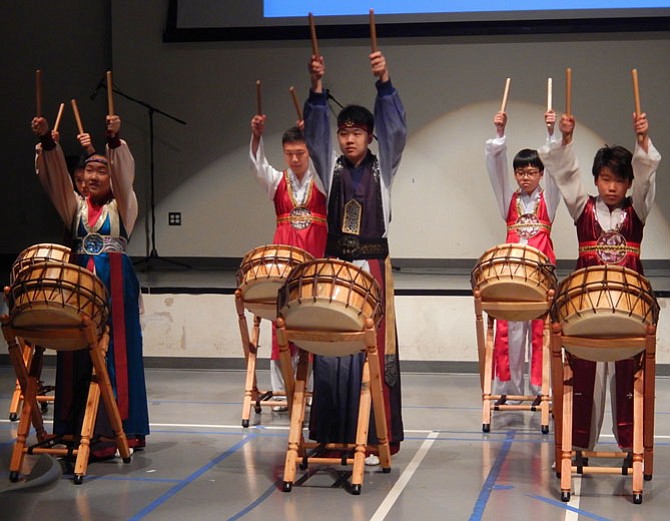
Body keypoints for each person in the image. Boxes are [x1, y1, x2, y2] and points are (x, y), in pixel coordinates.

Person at [303, 48, 406, 464]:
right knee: (332, 350)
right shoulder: (329, 167)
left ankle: (377, 433)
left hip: (374, 270)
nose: (348, 138)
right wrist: (316, 88)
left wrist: (384, 83)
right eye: (343, 131)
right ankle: (333, 432)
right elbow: (314, 137)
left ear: (369, 136)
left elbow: (396, 131)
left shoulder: (387, 168)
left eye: (357, 132)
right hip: (337, 269)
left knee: (374, 352)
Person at [539, 111, 661, 451]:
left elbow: (647, 177)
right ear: (596, 180)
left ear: (628, 184)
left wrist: (643, 142)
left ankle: (631, 448)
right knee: (583, 378)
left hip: (630, 312)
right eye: (605, 178)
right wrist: (565, 140)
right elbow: (566, 174)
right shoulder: (583, 208)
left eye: (619, 180)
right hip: (585, 312)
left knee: (628, 380)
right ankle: (578, 447)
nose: (611, 186)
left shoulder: (636, 211)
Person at [32, 113, 149, 456]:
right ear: (80, 181)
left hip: (116, 284)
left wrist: (113, 140)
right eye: (88, 173)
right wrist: (49, 145)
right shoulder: (75, 208)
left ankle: (123, 427)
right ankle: (75, 425)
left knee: (118, 352)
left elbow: (126, 175)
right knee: (78, 351)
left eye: (102, 172)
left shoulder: (123, 206)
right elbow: (54, 182)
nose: (93, 178)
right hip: (80, 283)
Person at [249, 116, 328, 411]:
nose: (295, 159)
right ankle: (283, 391)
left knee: (314, 318)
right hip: (285, 259)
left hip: (315, 256)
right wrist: (257, 137)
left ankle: (316, 388)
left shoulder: (321, 180)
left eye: (301, 153)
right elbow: (257, 167)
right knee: (281, 321)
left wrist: (317, 137)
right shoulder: (277, 182)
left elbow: (327, 160)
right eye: (289, 154)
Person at [485, 109, 560, 399]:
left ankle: (540, 389)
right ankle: (506, 388)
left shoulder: (548, 199)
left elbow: (556, 171)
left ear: (540, 173)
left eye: (531, 172)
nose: (525, 177)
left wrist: (550, 133)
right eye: (520, 172)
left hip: (540, 274)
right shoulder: (509, 199)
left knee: (540, 330)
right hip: (513, 273)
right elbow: (496, 170)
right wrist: (500, 133)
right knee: (510, 328)